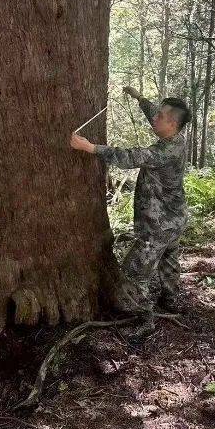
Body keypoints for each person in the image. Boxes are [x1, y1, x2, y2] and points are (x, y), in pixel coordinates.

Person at [70, 86, 190, 340]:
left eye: (160, 116)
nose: (155, 118)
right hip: (175, 219)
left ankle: (144, 320)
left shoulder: (165, 152)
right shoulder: (175, 136)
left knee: (135, 272)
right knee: (168, 261)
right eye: (156, 114)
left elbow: (131, 157)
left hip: (160, 225)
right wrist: (139, 98)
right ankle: (172, 301)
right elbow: (153, 114)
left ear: (172, 124)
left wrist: (91, 148)